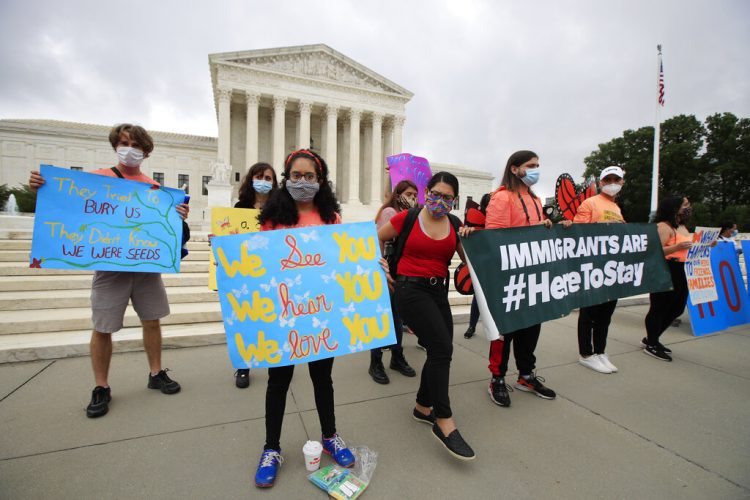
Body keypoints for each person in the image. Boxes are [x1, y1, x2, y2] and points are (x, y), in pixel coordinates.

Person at [28, 123, 190, 418]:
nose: (130, 149)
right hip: (109, 267)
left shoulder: (154, 189)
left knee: (152, 320)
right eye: (125, 143)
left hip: (146, 267)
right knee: (103, 327)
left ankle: (156, 373)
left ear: (146, 151)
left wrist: (178, 216)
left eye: (136, 145)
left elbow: (167, 230)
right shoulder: (96, 180)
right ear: (116, 145)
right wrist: (43, 188)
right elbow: (66, 206)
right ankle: (101, 386)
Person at [253, 149, 355, 488]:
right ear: (286, 178)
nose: (302, 181)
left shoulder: (331, 220)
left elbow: (345, 259)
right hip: (284, 316)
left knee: (322, 378)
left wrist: (371, 264)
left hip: (320, 314)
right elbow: (255, 260)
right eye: (295, 175)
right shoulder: (273, 218)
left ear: (320, 180)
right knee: (278, 382)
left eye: (309, 176)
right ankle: (271, 449)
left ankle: (330, 435)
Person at [378, 171, 476, 461]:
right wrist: (381, 266)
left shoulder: (455, 224)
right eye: (435, 194)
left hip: (438, 291)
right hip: (409, 289)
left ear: (454, 200)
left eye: (447, 197)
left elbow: (471, 256)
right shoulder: (406, 218)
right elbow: (374, 238)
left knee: (441, 349)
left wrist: (471, 237)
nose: (440, 201)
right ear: (426, 193)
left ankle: (423, 406)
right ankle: (444, 420)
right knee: (441, 348)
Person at [484, 150, 570, 407]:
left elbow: (535, 231)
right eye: (531, 165)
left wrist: (552, 226)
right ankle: (496, 378)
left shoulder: (534, 198)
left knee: (531, 327)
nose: (536, 169)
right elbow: (495, 238)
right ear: (514, 169)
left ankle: (525, 375)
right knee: (505, 331)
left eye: (537, 165)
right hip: (509, 278)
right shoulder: (501, 198)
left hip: (534, 277)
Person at [573, 166, 625, 374]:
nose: (612, 182)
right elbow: (578, 234)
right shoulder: (590, 203)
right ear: (601, 182)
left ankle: (601, 351)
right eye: (608, 179)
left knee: (606, 314)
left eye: (616, 179)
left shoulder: (617, 208)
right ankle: (586, 353)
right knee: (589, 313)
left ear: (622, 182)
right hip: (593, 268)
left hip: (612, 268)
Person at [232, 162, 278, 389]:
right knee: (246, 321)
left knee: (273, 318)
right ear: (251, 179)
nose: (264, 181)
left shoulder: (280, 209)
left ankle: (275, 360)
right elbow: (231, 235)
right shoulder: (240, 207)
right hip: (247, 271)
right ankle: (243, 365)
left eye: (268, 178)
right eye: (260, 176)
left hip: (272, 270)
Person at [368, 180, 419, 384]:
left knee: (397, 318)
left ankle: (397, 357)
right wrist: (382, 271)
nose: (413, 197)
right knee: (384, 319)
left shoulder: (413, 214)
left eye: (415, 194)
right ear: (398, 195)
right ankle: (376, 362)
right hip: (388, 271)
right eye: (409, 193)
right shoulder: (389, 213)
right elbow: (379, 240)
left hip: (401, 272)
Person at [642, 196, 694, 361]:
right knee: (659, 307)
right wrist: (676, 247)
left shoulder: (682, 226)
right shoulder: (664, 227)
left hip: (680, 269)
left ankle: (653, 337)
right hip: (665, 268)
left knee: (678, 307)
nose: (688, 207)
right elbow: (653, 251)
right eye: (684, 205)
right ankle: (652, 342)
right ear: (674, 207)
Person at [463, 192, 491, 339]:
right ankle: (472, 325)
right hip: (483, 264)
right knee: (478, 297)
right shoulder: (478, 222)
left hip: (497, 264)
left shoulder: (502, 220)